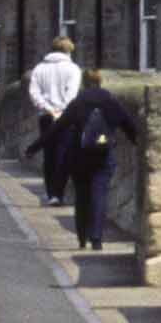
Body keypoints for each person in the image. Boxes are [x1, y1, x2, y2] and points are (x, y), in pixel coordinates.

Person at [52, 65, 139, 252]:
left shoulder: (78, 102)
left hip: (79, 157)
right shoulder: (110, 100)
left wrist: (35, 146)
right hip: (102, 156)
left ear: (83, 82)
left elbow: (58, 127)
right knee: (99, 197)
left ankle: (82, 237)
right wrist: (139, 143)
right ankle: (97, 239)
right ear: (100, 81)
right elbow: (128, 125)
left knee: (82, 197)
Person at [25, 34, 81, 203]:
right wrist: (60, 111)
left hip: (46, 117)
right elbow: (71, 95)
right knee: (63, 155)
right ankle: (58, 193)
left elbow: (34, 93)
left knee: (49, 155)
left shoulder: (39, 69)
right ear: (68, 51)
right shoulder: (73, 69)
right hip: (65, 117)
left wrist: (48, 109)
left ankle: (51, 193)